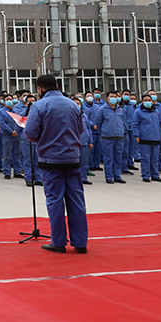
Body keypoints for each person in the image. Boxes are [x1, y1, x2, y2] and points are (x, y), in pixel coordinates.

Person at [25, 75, 88, 254]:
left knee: (55, 200)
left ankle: (58, 242)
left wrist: (45, 138)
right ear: (57, 85)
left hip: (50, 159)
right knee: (76, 200)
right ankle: (80, 242)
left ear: (40, 89)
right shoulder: (73, 105)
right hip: (72, 158)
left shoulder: (39, 106)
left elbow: (30, 133)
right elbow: (81, 129)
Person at [91, 90, 127, 184]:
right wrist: (105, 130)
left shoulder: (120, 109)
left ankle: (117, 176)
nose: (114, 98)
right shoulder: (102, 109)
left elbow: (122, 121)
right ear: (107, 98)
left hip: (119, 137)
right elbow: (98, 122)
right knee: (108, 158)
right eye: (111, 96)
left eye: (115, 96)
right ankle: (109, 176)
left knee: (118, 157)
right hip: (107, 137)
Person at [133, 96, 161, 182]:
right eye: (145, 100)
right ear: (142, 101)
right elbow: (135, 124)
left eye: (149, 100)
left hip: (156, 138)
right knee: (145, 158)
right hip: (144, 138)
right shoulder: (138, 112)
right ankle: (146, 175)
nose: (147, 102)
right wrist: (136, 136)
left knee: (155, 158)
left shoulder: (156, 112)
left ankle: (155, 175)